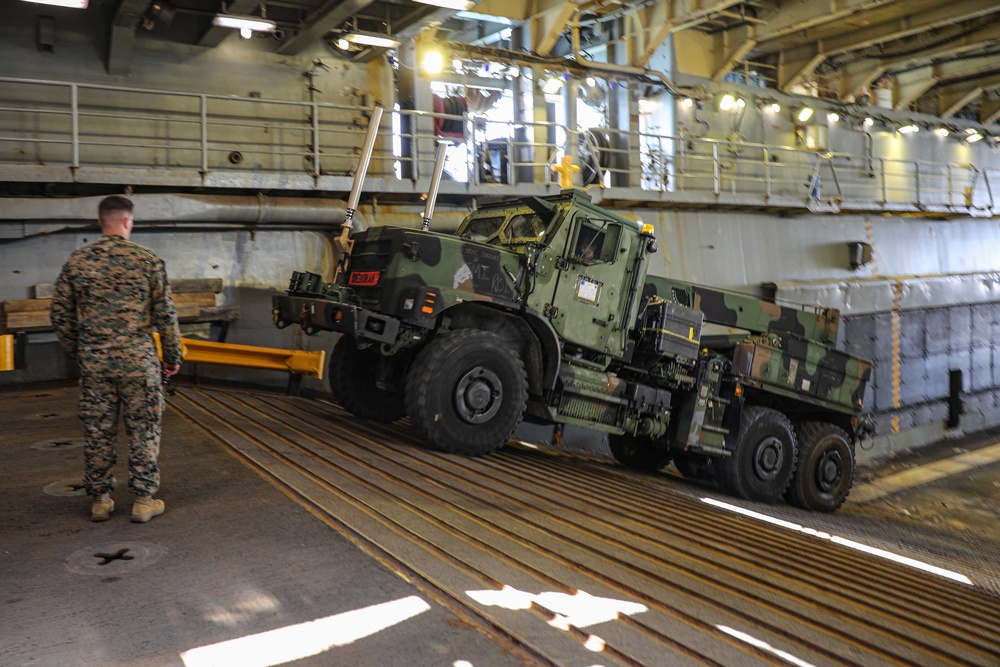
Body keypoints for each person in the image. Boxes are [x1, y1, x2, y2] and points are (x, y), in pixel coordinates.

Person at [51, 195, 182, 523]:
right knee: (144, 429)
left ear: (101, 222)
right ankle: (143, 500)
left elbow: (59, 313)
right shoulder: (148, 260)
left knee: (98, 430)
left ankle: (100, 499)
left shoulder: (78, 261)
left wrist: (78, 349)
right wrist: (172, 356)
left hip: (95, 363)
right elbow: (165, 314)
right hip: (138, 363)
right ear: (127, 221)